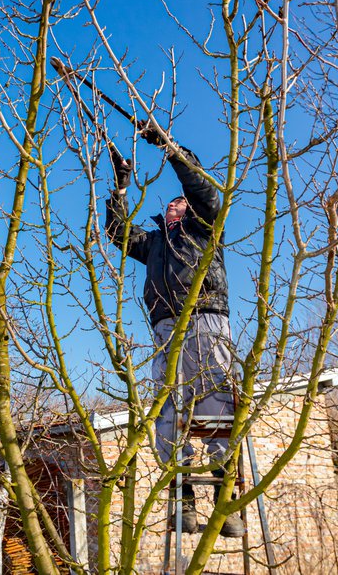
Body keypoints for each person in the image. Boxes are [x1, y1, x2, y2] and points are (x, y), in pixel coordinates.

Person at [104, 120, 245, 538]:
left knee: (218, 402)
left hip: (206, 319)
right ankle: (182, 500)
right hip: (165, 328)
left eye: (179, 204)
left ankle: (226, 505)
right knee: (169, 410)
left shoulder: (204, 230)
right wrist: (120, 188)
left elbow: (205, 192)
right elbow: (117, 233)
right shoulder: (155, 245)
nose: (173, 207)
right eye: (170, 206)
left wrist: (169, 148)